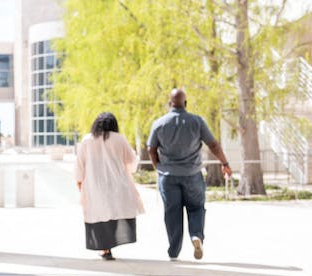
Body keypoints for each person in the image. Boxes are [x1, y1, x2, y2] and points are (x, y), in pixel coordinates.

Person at [147, 88, 233, 260]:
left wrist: (158, 166)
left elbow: (151, 148)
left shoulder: (159, 123)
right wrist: (225, 163)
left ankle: (174, 251)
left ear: (169, 104)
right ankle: (196, 236)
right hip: (192, 174)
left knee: (172, 212)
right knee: (196, 208)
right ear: (185, 103)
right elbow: (213, 144)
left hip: (168, 176)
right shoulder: (197, 121)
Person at [75, 112, 145, 260]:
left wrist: (79, 182)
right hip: (117, 185)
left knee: (99, 216)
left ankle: (105, 248)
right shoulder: (119, 139)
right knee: (113, 215)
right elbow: (132, 161)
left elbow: (80, 164)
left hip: (95, 185)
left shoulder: (87, 140)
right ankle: (110, 246)